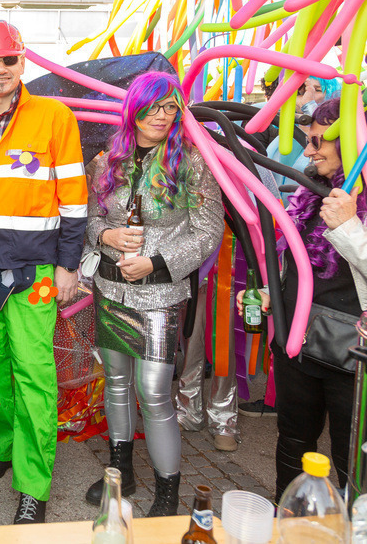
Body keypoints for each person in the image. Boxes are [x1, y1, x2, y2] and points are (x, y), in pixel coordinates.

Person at [0, 20, 87, 524]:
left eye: (9, 59)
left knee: (34, 375)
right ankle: (3, 446)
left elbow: (74, 199)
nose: (1, 68)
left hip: (36, 271)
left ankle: (33, 483)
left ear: (22, 61)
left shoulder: (54, 116)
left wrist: (68, 265)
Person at [85, 71, 223, 517]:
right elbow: (90, 220)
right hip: (110, 289)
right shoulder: (108, 162)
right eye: (153, 106)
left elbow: (209, 232)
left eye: (171, 107)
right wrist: (106, 235)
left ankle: (167, 493)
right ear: (134, 109)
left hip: (160, 295)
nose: (162, 115)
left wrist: (156, 262)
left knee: (154, 391)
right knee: (116, 381)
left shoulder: (191, 163)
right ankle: (120, 470)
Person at [249, 98, 367, 500]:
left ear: (349, 143)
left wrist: (349, 225)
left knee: (352, 457)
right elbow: (299, 262)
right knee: (293, 440)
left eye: (318, 141)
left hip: (353, 355)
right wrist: (273, 293)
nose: (310, 150)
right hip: (298, 343)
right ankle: (286, 516)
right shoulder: (312, 191)